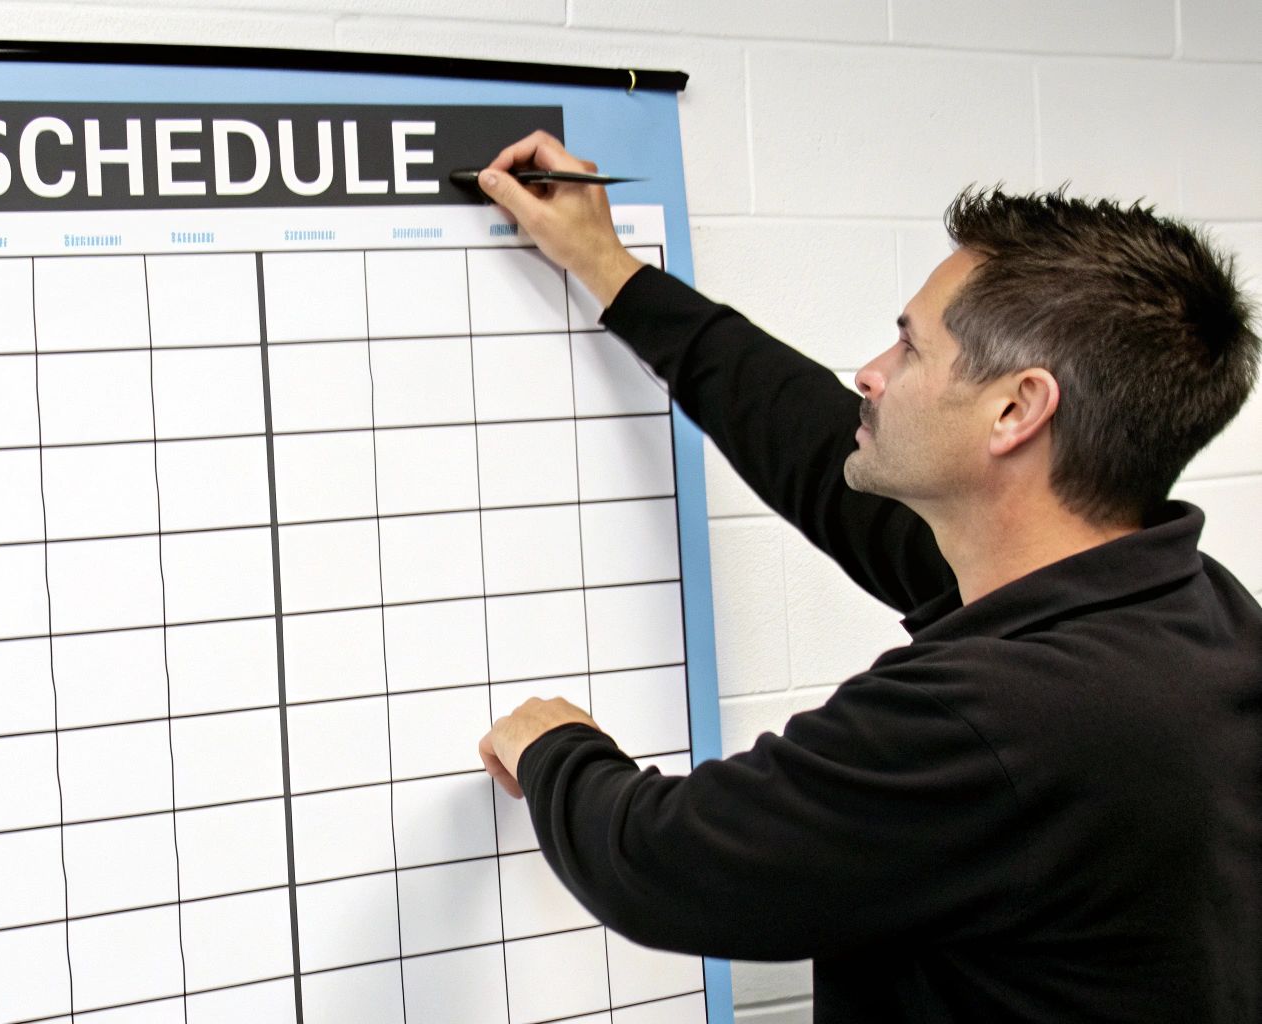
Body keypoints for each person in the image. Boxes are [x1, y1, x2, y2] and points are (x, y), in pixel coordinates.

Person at [472, 131, 1262, 1022]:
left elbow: (666, 864)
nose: (871, 376)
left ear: (1016, 409)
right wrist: (610, 266)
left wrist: (554, 749)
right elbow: (816, 449)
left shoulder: (999, 717)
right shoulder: (1192, 607)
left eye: (910, 349)